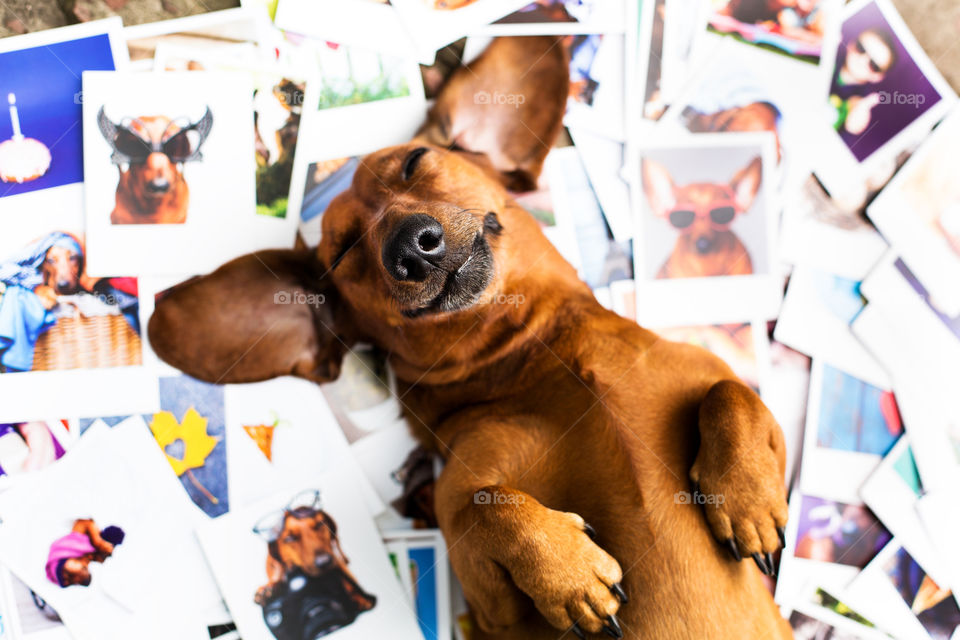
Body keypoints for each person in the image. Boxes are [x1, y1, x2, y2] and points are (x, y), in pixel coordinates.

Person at [829, 27, 898, 135]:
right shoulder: (830, 53)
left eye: (873, 65)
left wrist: (857, 112)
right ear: (851, 44)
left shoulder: (861, 99)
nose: (862, 60)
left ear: (878, 77)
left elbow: (855, 104)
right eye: (861, 48)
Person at [45, 519, 125, 588]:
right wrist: (99, 543)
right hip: (59, 564)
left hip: (60, 569)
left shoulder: (89, 551)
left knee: (81, 574)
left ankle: (72, 575)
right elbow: (85, 523)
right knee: (77, 570)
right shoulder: (87, 540)